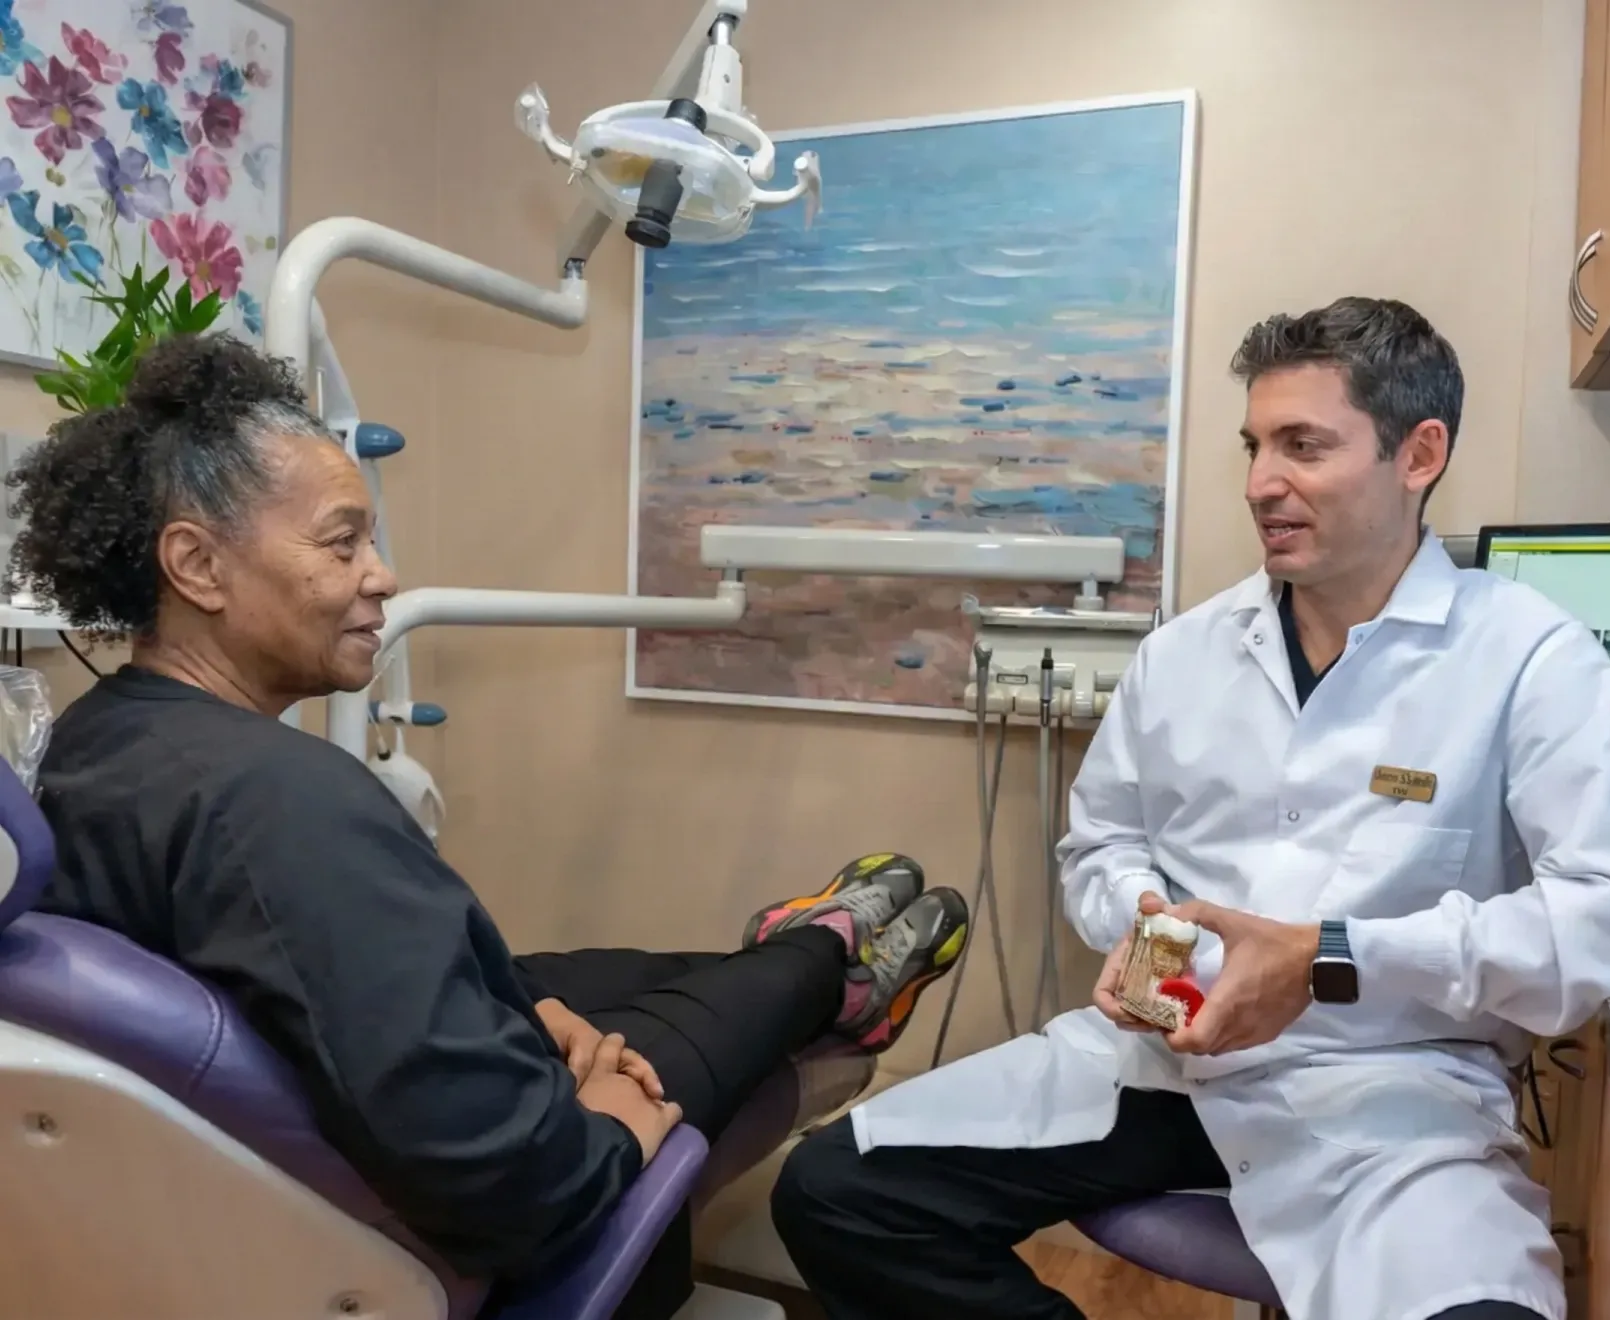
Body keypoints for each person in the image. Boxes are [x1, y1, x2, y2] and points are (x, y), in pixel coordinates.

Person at [770, 297, 1610, 1320]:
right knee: (837, 1194)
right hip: (1162, 1061)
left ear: (1417, 454)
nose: (1259, 483)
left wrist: (1335, 955)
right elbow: (1099, 843)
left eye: (1302, 446)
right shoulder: (1182, 655)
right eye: (1254, 445)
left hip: (1388, 1089)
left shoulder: (1525, 658)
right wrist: (1147, 921)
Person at [7, 333, 971, 1314]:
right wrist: (616, 1117)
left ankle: (794, 949)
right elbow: (521, 1187)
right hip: (479, 1191)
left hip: (308, 1093)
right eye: (343, 544)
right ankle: (831, 962)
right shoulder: (278, 805)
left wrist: (518, 1007)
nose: (380, 576)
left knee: (644, 977)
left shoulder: (97, 739)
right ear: (198, 567)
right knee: (720, 1019)